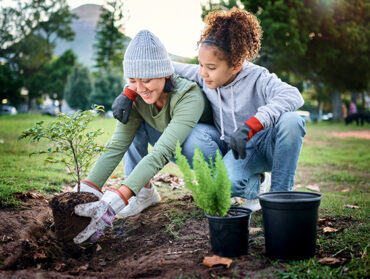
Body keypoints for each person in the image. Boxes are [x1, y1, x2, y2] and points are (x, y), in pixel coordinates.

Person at [112, 8, 306, 212]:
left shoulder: (259, 78)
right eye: (201, 65)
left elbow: (293, 95)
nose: (203, 73)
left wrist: (253, 125)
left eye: (211, 68)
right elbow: (154, 68)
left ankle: (279, 199)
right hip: (232, 150)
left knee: (292, 120)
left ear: (237, 65)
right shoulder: (204, 74)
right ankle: (253, 183)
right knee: (197, 142)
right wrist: (129, 92)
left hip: (261, 144)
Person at [72, 30, 211, 244]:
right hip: (169, 145)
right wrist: (85, 190)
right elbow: (117, 145)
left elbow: (163, 151)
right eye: (133, 81)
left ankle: (238, 182)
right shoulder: (136, 95)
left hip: (205, 151)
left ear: (165, 73)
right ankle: (144, 193)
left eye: (146, 80)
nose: (140, 88)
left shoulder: (189, 96)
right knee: (130, 125)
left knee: (197, 138)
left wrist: (118, 199)